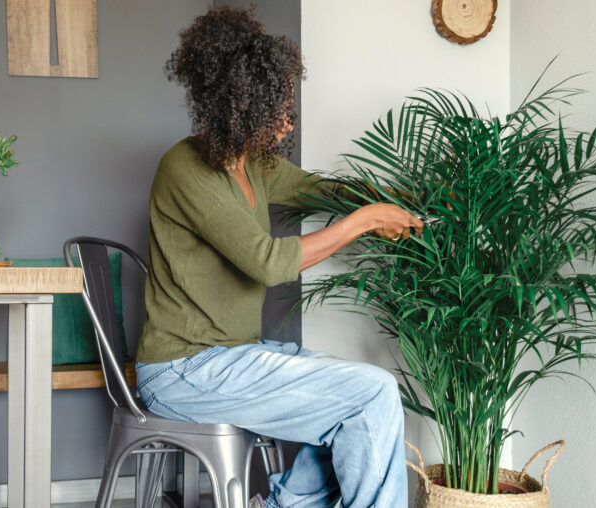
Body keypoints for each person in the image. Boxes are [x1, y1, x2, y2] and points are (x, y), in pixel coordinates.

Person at [134, 6, 421, 508]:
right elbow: (265, 261)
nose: (288, 124)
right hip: (184, 370)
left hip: (234, 356)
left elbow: (320, 189)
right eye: (278, 110)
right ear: (240, 104)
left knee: (354, 404)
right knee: (371, 393)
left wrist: (396, 198)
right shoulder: (186, 168)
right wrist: (368, 221)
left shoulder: (255, 164)